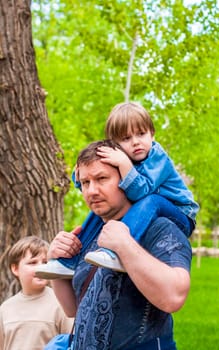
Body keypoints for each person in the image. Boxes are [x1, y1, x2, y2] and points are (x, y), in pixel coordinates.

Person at [47, 139, 192, 349]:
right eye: (85, 182)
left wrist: (124, 245)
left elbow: (174, 296)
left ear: (126, 178)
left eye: (101, 179)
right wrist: (57, 265)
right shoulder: (94, 232)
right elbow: (73, 309)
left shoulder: (160, 227)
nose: (91, 191)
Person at [36, 102, 198, 277]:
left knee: (152, 200)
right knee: (101, 208)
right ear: (115, 144)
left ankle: (116, 252)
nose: (136, 142)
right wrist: (80, 174)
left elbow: (141, 193)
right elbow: (94, 182)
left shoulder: (157, 158)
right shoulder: (124, 158)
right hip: (152, 207)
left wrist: (124, 163)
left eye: (141, 134)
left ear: (152, 134)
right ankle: (70, 262)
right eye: (126, 138)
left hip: (180, 214)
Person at [0, 236, 74, 350]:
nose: (41, 267)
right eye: (32, 262)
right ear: (15, 269)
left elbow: (73, 343)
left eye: (45, 262)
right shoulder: (5, 309)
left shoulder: (62, 304)